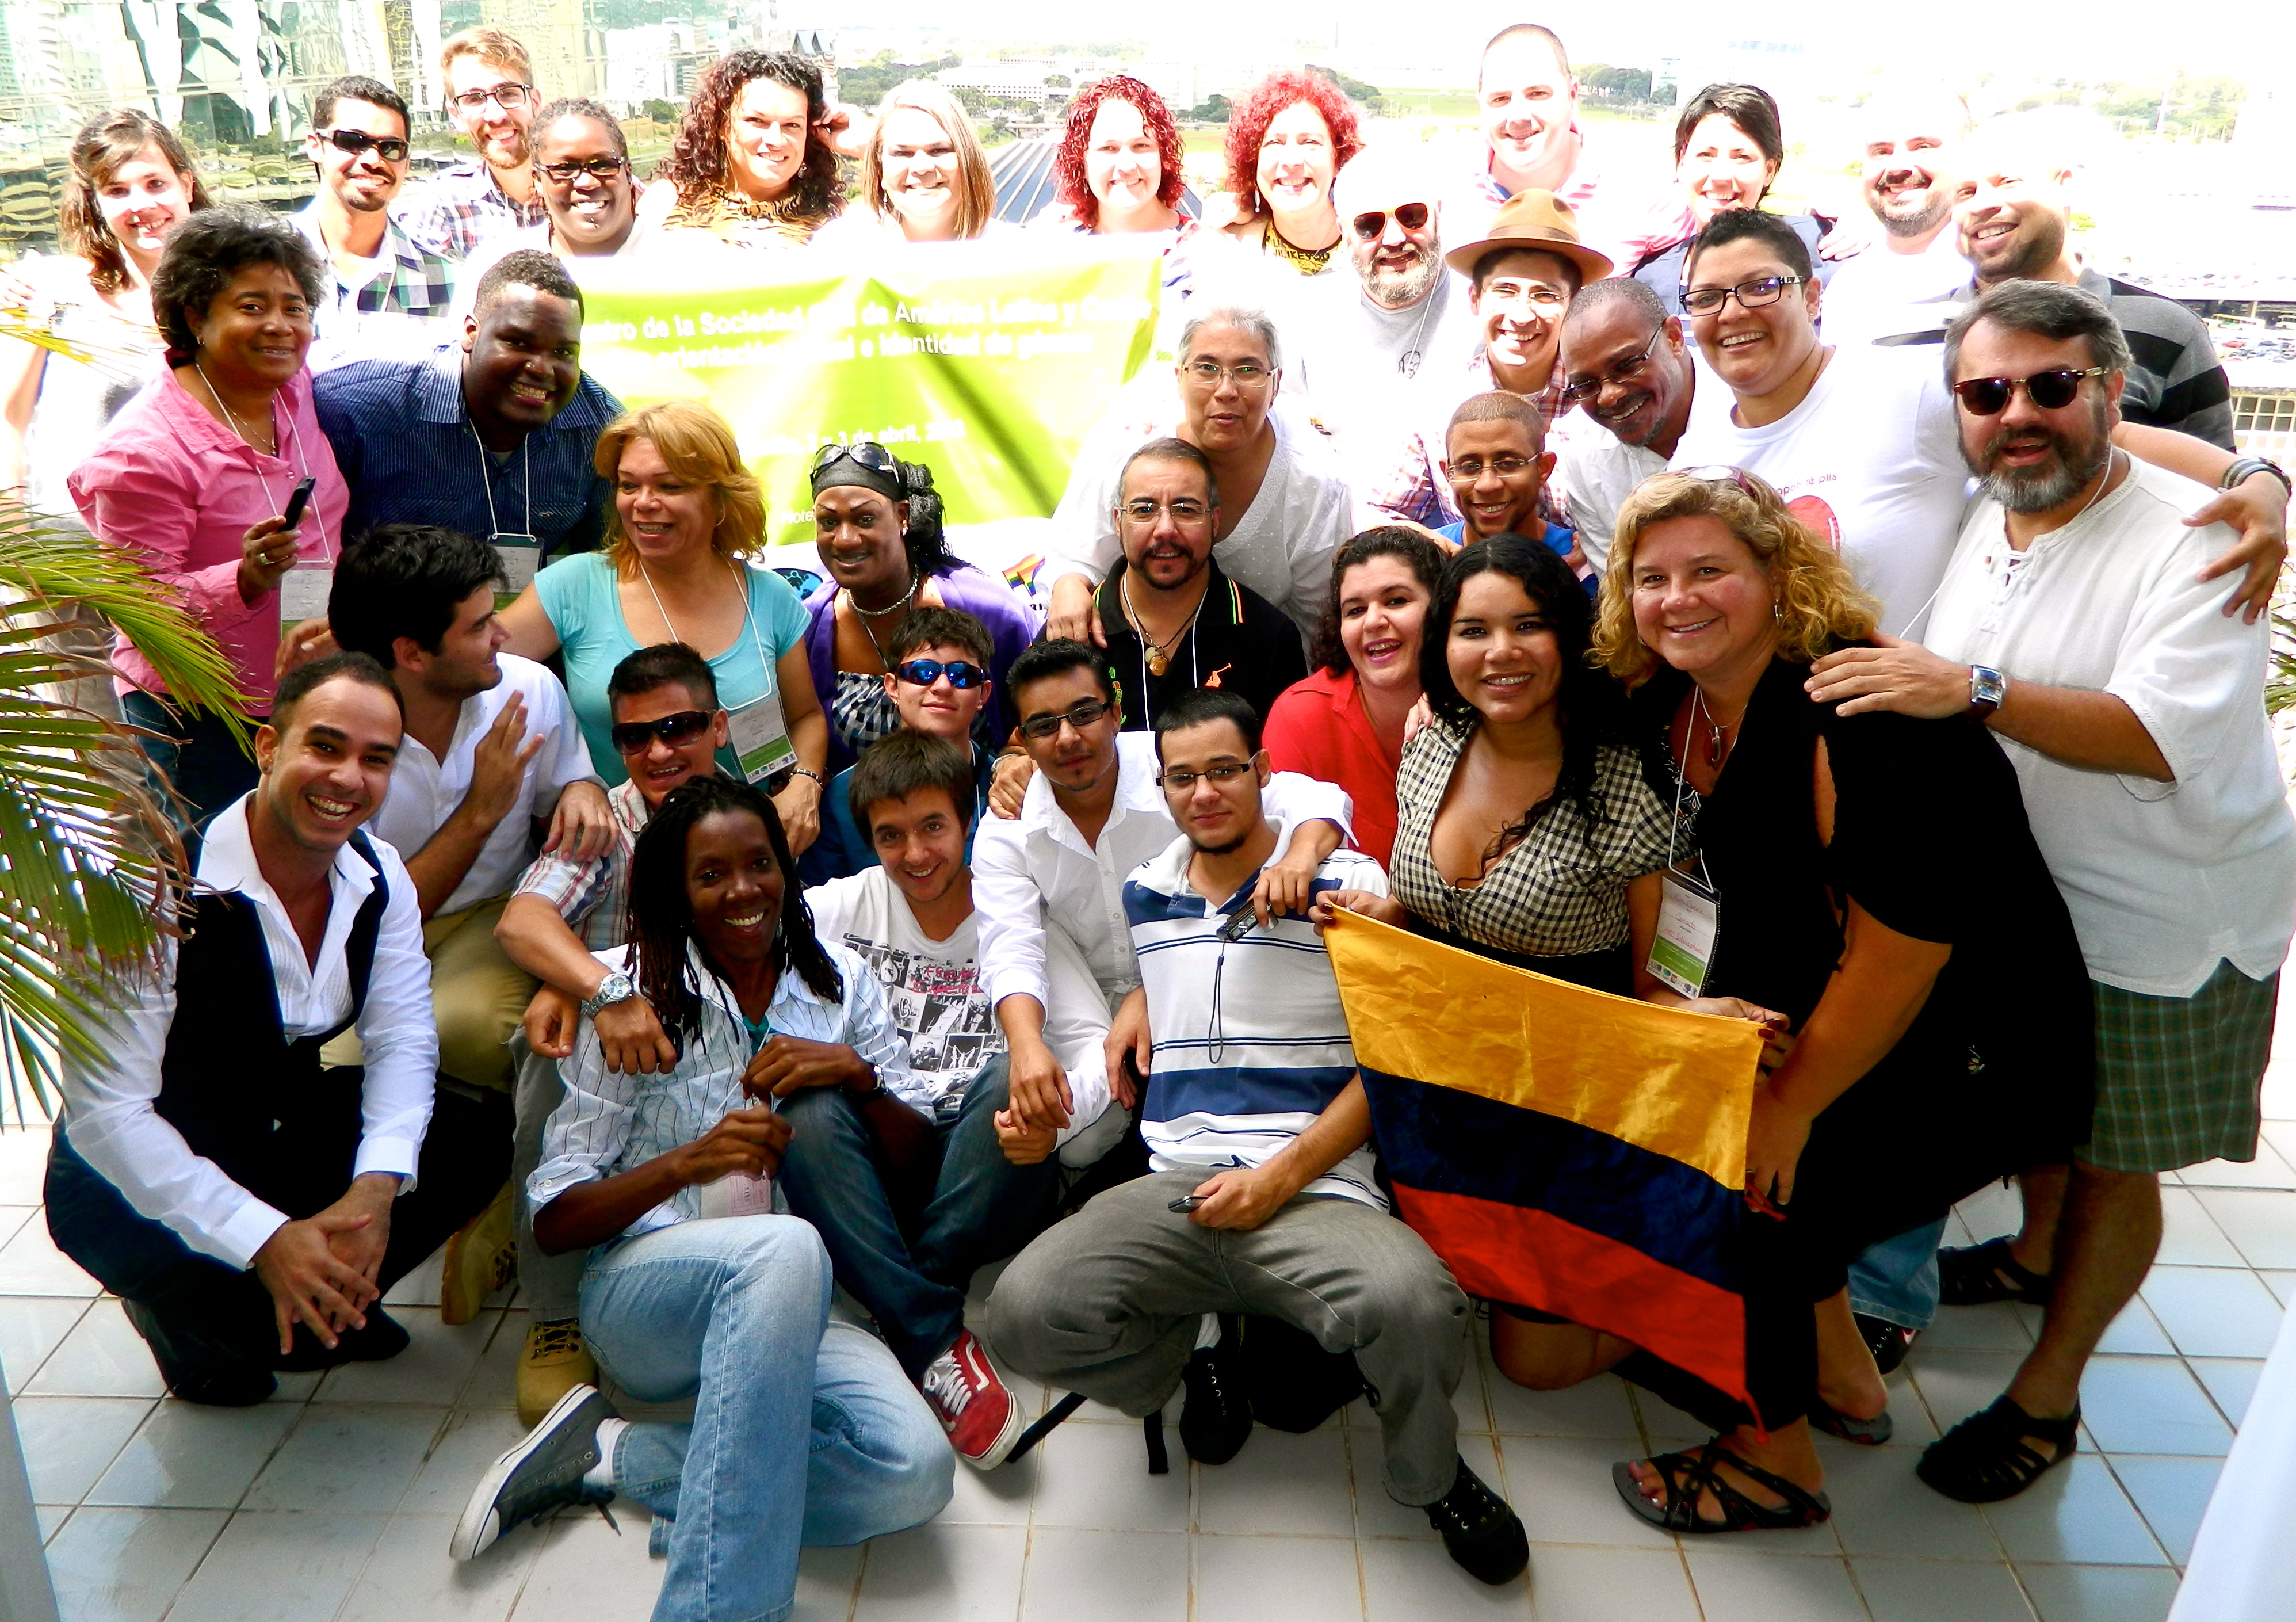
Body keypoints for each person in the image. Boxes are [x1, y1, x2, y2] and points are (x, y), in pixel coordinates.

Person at [1800, 281, 2296, 1502]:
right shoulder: (2002, 507)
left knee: (2115, 1157)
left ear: (2111, 392)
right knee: (2049, 1125)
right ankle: (2031, 1253)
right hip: (2028, 902)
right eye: (1987, 392)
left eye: (2050, 385)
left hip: (2158, 917)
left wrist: (1969, 687)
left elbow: (2153, 736)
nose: (2016, 412)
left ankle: (2049, 1392)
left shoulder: (2197, 538)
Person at [1565, 465, 2090, 1534]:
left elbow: (1902, 954)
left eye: (1709, 570)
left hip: (1975, 1048)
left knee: (1748, 1177)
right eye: (1651, 578)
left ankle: (1775, 1458)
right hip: (1837, 1011)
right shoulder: (1670, 700)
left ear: (1779, 573)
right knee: (1711, 1114)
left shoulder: (1866, 719)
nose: (1678, 598)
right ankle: (1842, 1373)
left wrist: (1789, 1104)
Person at [985, 686, 1530, 1586]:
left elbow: (1390, 1065)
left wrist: (1278, 1178)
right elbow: (1187, 972)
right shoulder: (1146, 892)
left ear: (1263, 773)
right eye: (1183, 777)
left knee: (1418, 1305)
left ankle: (1430, 1475)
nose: (1204, 792)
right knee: (1023, 1312)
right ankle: (1191, 1348)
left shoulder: (1342, 884)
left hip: (1312, 1185)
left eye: (1225, 771)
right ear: (1161, 788)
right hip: (1177, 1185)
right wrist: (1134, 1000)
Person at [452, 776, 952, 1615]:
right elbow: (554, 1219)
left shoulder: (841, 980)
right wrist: (684, 1163)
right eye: (710, 873)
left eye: (759, 864)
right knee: (787, 1244)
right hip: (649, 1303)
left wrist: (857, 1076)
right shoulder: (623, 992)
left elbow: (915, 1169)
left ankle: (610, 1452)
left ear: (785, 869)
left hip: (803, 1304)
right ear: (673, 892)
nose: (744, 889)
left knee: (913, 1473)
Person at [44, 653, 506, 1406]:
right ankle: (186, 1319)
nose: (348, 777)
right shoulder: (154, 887)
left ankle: (328, 1301)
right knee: (255, 1350)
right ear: (268, 746)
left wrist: (374, 1192)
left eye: (375, 758)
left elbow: (402, 1037)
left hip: (270, 1124)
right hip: (128, 1178)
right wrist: (264, 1237)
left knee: (471, 1137)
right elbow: (109, 1117)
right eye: (325, 746)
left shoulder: (379, 872)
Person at [1672, 208, 2289, 636]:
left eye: (1761, 287)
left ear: (1812, 298)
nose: (1732, 312)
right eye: (1706, 297)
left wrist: (2251, 478)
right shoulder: (1696, 460)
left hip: (1915, 729)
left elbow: (2099, 434)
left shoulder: (1904, 389)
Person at [785, 728, 1115, 1468]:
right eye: (890, 835)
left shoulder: (1014, 914)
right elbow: (721, 942)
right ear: (868, 839)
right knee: (807, 1110)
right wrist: (590, 985)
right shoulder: (844, 905)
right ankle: (931, 1336)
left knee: (1012, 1075)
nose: (915, 853)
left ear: (968, 821)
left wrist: (1053, 1126)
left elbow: (1097, 1048)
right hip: (887, 1164)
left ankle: (898, 1298)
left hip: (990, 1173)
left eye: (933, 826)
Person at [973, 640, 1354, 1161]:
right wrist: (1026, 1050)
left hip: (1192, 971)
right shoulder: (1006, 826)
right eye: (1043, 725)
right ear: (1021, 739)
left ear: (1116, 712)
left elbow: (1315, 797)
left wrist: (1298, 858)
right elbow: (1010, 946)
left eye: (1084, 713)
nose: (1067, 738)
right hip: (1086, 989)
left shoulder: (1173, 766)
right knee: (1081, 1142)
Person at [495, 642, 729, 1422]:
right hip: (621, 1041)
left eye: (678, 727)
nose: (658, 751)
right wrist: (599, 989)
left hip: (717, 1037)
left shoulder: (744, 814)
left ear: (718, 727)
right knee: (549, 1049)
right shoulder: (604, 824)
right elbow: (524, 920)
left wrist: (572, 978)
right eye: (635, 736)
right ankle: (556, 1309)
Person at [70, 205, 346, 847]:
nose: (280, 325)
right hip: (200, 714)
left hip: (306, 685)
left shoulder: (291, 389)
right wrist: (243, 578)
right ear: (196, 316)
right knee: (216, 879)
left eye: (295, 307)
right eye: (253, 306)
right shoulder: (144, 454)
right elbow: (141, 609)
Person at [327, 525, 608, 1106]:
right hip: (366, 929)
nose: (502, 635)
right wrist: (481, 811)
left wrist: (583, 789)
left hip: (491, 913)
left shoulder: (528, 689)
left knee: (469, 1033)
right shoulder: (336, 737)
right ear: (411, 653)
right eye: (479, 627)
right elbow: (379, 914)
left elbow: (569, 784)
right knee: (338, 1065)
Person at [1321, 535, 1671, 991]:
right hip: (1422, 1028)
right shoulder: (1430, 739)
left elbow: (1658, 989)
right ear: (1442, 644)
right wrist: (1393, 916)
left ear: (1568, 634)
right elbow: (1436, 915)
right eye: (1473, 631)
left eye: (1527, 625)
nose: (1501, 651)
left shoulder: (1636, 789)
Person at [496, 400, 829, 844]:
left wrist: (805, 783)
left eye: (669, 486)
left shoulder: (770, 596)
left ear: (721, 497)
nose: (643, 503)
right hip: (615, 856)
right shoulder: (572, 586)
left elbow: (805, 715)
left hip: (742, 849)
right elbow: (474, 673)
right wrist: (572, 779)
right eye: (628, 485)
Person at [1046, 307, 1349, 642]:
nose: (1226, 390)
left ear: (1275, 384)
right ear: (1179, 377)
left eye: (1247, 370)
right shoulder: (1127, 450)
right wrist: (1069, 584)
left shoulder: (1315, 485)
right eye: (1207, 368)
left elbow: (1318, 627)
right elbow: (1074, 557)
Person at [314, 251, 620, 570]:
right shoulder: (358, 408)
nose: (542, 368)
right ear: (471, 333)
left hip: (529, 603)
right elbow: (311, 551)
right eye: (518, 343)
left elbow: (607, 567)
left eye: (563, 352)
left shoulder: (601, 430)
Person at [1950, 110, 2234, 447]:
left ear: (2066, 186)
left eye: (2008, 182)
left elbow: (2214, 473)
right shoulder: (1916, 333)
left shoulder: (2167, 332)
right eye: (1965, 193)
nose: (1982, 204)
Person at [1359, 190, 1610, 535]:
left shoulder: (1601, 399)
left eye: (1545, 295)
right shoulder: (1438, 405)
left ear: (1574, 305)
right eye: (1505, 291)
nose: (1522, 316)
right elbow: (1375, 517)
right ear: (1476, 299)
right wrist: (1448, 549)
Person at [0, 110, 205, 513]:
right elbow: (8, 425)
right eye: (117, 191)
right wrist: (16, 537)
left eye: (155, 184)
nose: (141, 205)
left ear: (186, 185)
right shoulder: (46, 292)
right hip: (76, 543)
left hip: (202, 542)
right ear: (95, 203)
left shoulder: (232, 299)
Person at [801, 441, 1037, 773]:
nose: (845, 539)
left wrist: (1015, 754)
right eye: (828, 522)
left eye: (865, 519)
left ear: (903, 516)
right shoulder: (807, 628)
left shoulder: (989, 611)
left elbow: (1048, 703)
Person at [1091, 438, 1306, 731]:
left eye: (1185, 510)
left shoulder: (1269, 639)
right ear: (1118, 522)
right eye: (1144, 510)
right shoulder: (1074, 635)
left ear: (1214, 521)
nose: (1165, 530)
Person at [1263, 527, 1447, 869]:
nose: (1373, 622)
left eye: (1396, 601)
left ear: (1443, 608)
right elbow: (1280, 861)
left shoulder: (1480, 706)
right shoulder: (1301, 715)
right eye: (1355, 610)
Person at [1287, 145, 1482, 453]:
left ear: (1438, 214)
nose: (1394, 239)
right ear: (1344, 232)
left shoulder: (1482, 310)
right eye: (1369, 225)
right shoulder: (1309, 317)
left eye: (1412, 216)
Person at [801, 606, 1003, 885]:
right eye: (923, 672)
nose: (943, 687)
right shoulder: (844, 795)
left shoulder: (1005, 785)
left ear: (983, 694)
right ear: (893, 688)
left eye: (962, 675)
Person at [1628, 85, 1844, 317]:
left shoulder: (1824, 249)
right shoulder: (1649, 282)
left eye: (1742, 157)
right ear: (1682, 162)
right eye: (1706, 155)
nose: (1721, 176)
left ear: (1769, 170)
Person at [292, 76, 457, 361]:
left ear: (406, 163)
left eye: (391, 147)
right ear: (315, 145)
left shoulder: (447, 282)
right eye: (352, 141)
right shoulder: (259, 261)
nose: (373, 160)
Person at [450, 99, 653, 310]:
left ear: (627, 171)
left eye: (603, 165)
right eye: (564, 169)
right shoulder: (494, 269)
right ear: (537, 180)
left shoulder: (673, 258)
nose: (586, 182)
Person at [1553, 277, 1698, 568]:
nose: (1609, 396)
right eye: (1586, 385)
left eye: (1626, 366)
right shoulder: (1584, 461)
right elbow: (1619, 586)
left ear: (1674, 338)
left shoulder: (1752, 400)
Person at [1817, 86, 1974, 349]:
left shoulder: (1991, 276)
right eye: (1881, 152)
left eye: (1923, 147)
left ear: (1967, 157)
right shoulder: (1846, 282)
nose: (1898, 167)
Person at [649, 50, 845, 248]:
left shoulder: (835, 220)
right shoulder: (669, 203)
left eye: (792, 125)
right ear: (721, 126)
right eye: (757, 121)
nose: (776, 140)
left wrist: (860, 149)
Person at [400, 28, 548, 260]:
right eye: (474, 99)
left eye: (508, 93)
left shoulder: (580, 187)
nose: (495, 115)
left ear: (535, 103)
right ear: (456, 115)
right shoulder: (445, 201)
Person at [811, 81, 1009, 247]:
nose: (922, 167)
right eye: (902, 153)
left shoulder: (1014, 254)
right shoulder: (840, 249)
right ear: (880, 171)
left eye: (939, 150)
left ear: (969, 161)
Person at [1217, 69, 1363, 281]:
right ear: (1253, 162)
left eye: (1309, 142)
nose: (1291, 161)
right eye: (1275, 143)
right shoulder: (1225, 254)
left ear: (1338, 160)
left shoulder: (1375, 249)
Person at [1435, 395, 1579, 579]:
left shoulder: (1582, 560)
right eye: (1470, 467)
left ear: (1543, 469)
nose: (1487, 485)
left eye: (1508, 464)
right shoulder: (1426, 559)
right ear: (1448, 474)